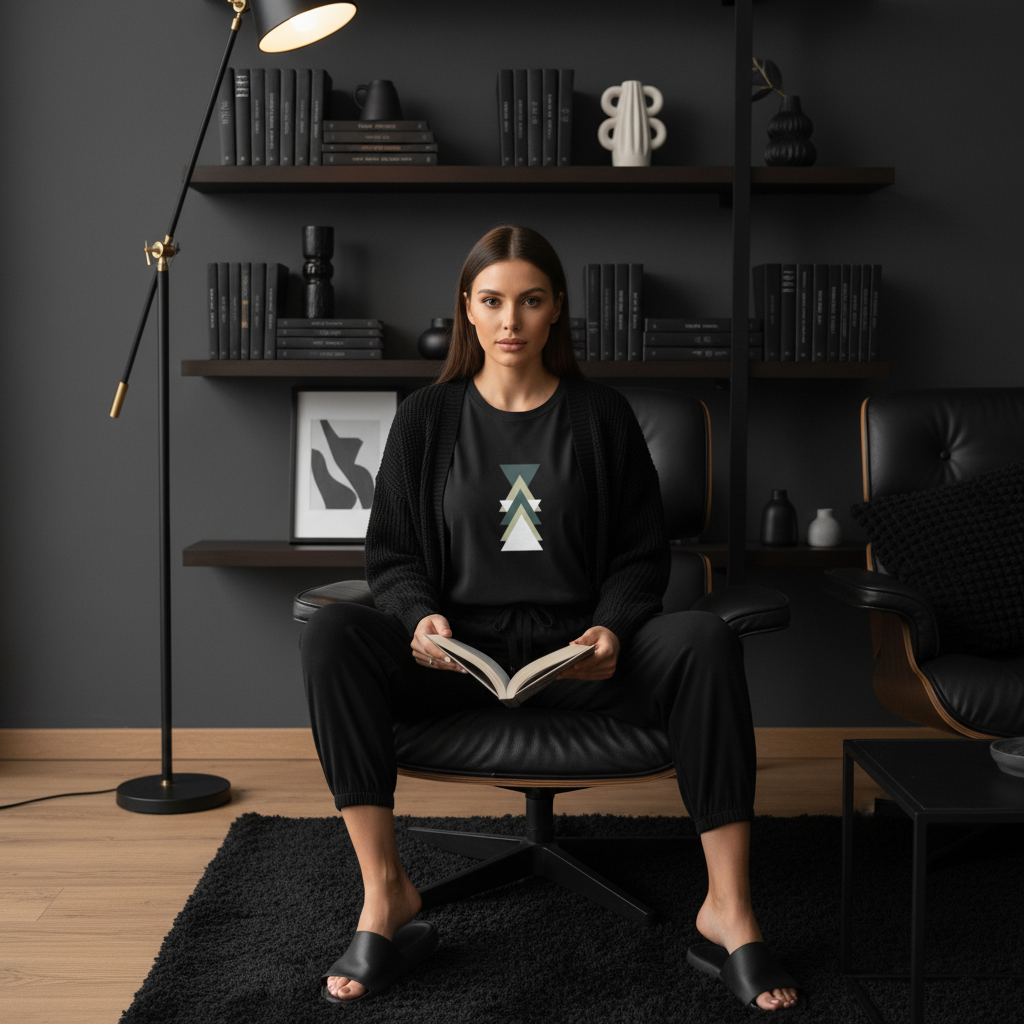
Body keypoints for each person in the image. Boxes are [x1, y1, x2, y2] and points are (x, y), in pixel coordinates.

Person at [301, 225, 803, 1012]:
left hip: (583, 657)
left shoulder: (602, 415)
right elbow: (392, 556)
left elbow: (641, 557)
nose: (511, 321)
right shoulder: (427, 417)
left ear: (557, 309)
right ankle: (385, 893)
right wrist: (420, 618)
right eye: (493, 301)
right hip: (460, 660)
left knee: (704, 638)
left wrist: (611, 629)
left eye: (530, 301)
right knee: (333, 631)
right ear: (467, 309)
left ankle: (729, 910)